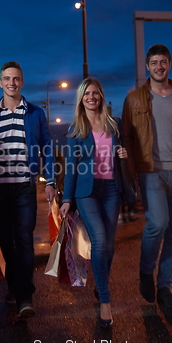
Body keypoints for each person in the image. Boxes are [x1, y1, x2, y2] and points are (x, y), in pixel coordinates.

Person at [122, 44, 172, 309]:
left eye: (163, 62)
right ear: (147, 66)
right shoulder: (134, 100)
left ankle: (165, 286)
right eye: (154, 62)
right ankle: (146, 272)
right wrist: (131, 173)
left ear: (169, 64)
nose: (159, 66)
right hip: (151, 171)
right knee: (158, 224)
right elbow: (128, 139)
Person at [0, 61, 56, 319]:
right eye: (7, 79)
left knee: (24, 239)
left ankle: (25, 295)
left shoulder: (34, 113)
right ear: (0, 83)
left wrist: (52, 181)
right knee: (8, 243)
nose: (12, 83)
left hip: (24, 186)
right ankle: (14, 286)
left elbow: (47, 147)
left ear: (22, 82)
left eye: (16, 79)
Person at [60, 78, 128, 328]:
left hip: (111, 189)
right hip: (86, 192)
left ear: (101, 96)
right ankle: (106, 301)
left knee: (108, 247)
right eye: (86, 93)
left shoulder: (114, 124)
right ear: (81, 98)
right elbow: (71, 167)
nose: (91, 97)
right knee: (99, 240)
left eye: (95, 93)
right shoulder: (76, 130)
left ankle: (100, 288)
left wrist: (123, 153)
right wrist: (67, 198)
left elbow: (122, 153)